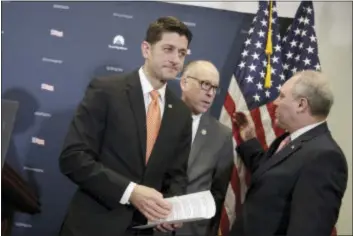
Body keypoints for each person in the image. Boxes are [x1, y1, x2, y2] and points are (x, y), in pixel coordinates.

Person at [58, 16, 193, 236]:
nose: (176, 59)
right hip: (92, 226)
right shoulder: (106, 91)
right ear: (146, 49)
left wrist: (169, 210)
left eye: (182, 53)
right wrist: (130, 192)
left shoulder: (180, 113)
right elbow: (73, 157)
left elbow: (176, 175)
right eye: (168, 49)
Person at [229, 70, 348, 236]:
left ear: (301, 105)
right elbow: (270, 176)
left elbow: (308, 230)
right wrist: (249, 140)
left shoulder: (325, 157)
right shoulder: (290, 139)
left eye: (282, 96)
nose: (275, 102)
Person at [156, 60, 234, 236]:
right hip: (149, 224)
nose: (210, 94)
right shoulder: (157, 118)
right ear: (184, 82)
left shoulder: (222, 135)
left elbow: (217, 193)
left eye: (214, 88)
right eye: (205, 84)